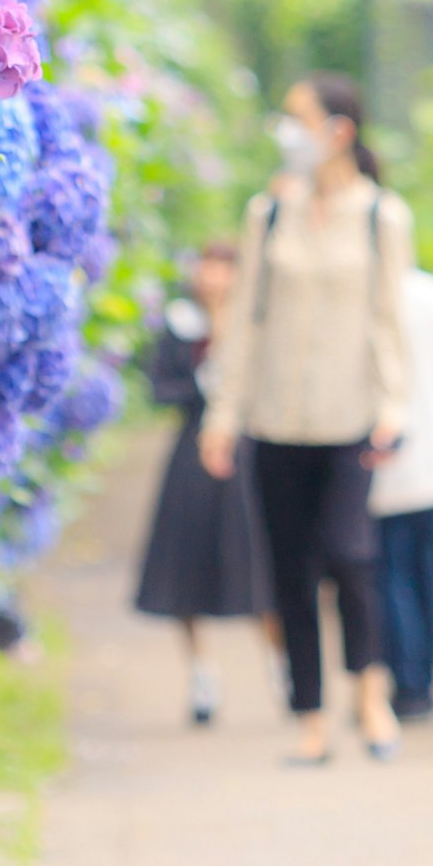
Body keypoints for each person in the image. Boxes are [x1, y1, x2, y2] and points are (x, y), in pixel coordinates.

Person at [200, 74, 415, 766]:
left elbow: (390, 322)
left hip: (349, 418)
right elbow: (245, 325)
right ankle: (310, 716)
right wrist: (223, 414)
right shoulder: (267, 214)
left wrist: (393, 407)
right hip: (274, 422)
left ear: (338, 131)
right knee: (289, 572)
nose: (286, 133)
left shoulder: (384, 217)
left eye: (298, 120)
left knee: (352, 557)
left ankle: (370, 693)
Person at [131, 238, 272, 725]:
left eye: (224, 268)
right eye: (208, 266)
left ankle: (280, 666)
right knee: (184, 562)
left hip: (245, 453)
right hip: (193, 451)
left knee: (259, 559)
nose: (214, 278)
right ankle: (201, 676)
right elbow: (160, 386)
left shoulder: (257, 324)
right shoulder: (179, 326)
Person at [367, 263, 433, 722]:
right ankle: (425, 682)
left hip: (384, 464)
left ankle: (407, 686)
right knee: (428, 576)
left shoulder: (365, 294)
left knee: (390, 575)